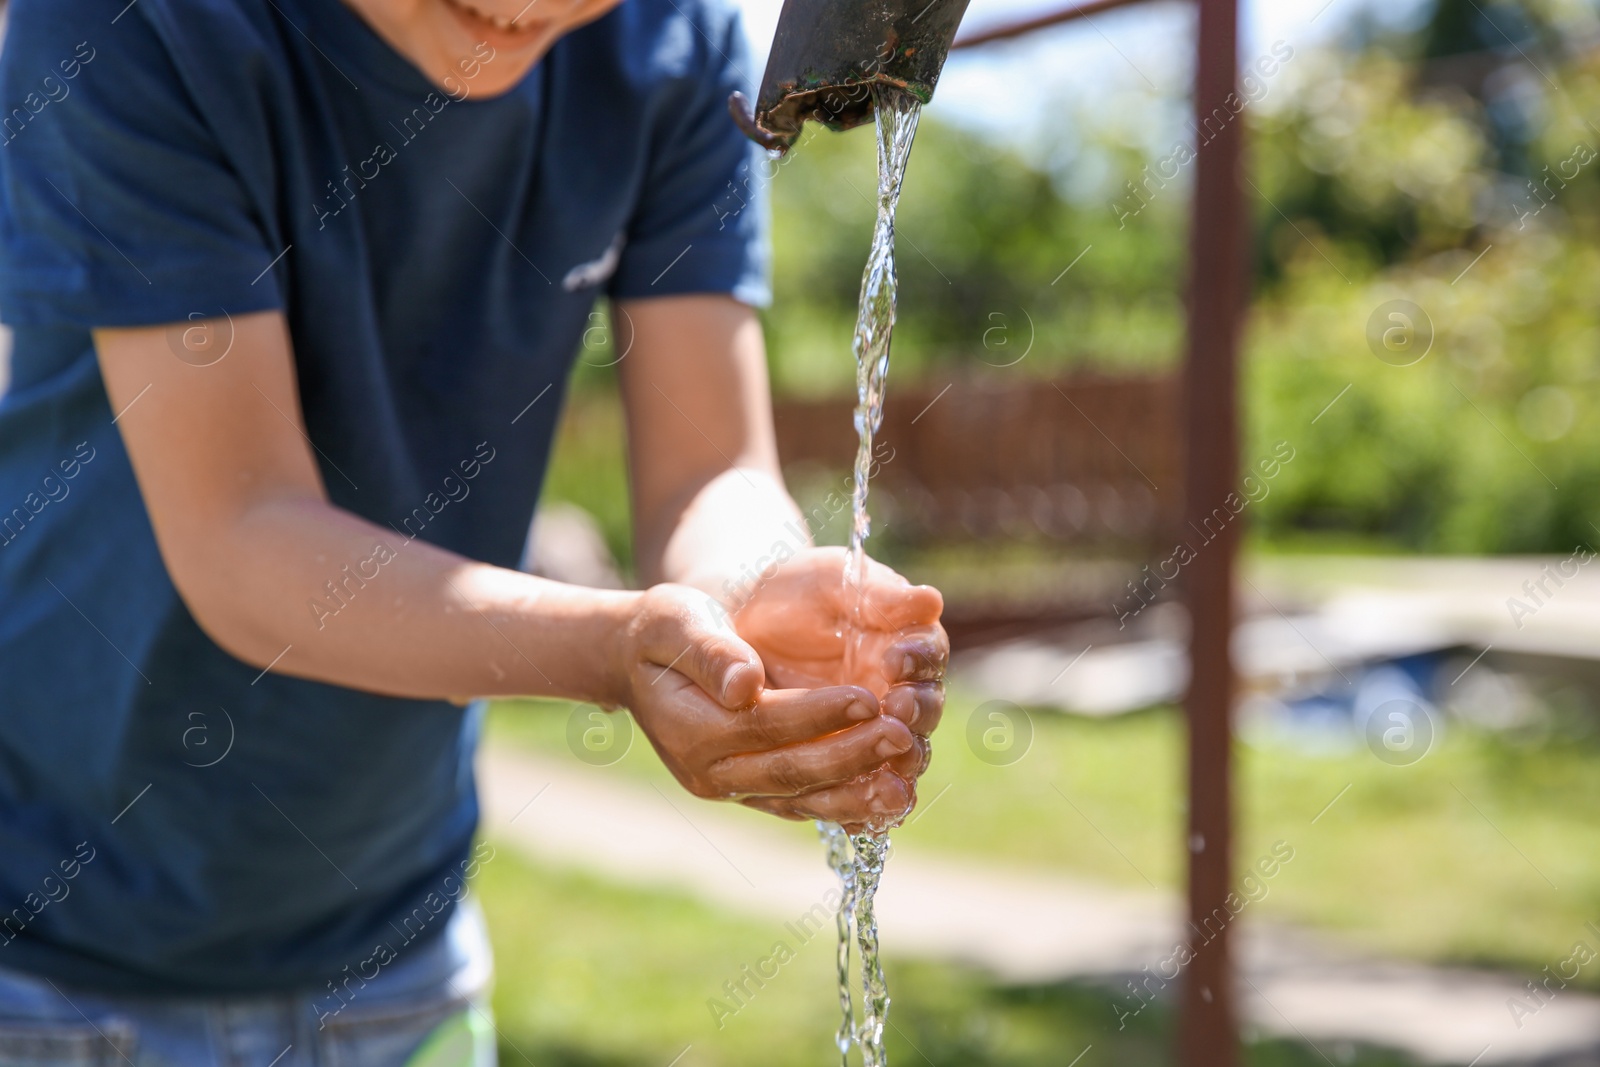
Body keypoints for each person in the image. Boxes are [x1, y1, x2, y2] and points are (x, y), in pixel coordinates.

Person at [0, 0, 947, 1061]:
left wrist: (758, 591)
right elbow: (244, 533)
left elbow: (710, 468)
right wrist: (608, 648)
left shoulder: (672, 49)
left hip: (398, 947)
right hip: (45, 957)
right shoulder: (137, 24)